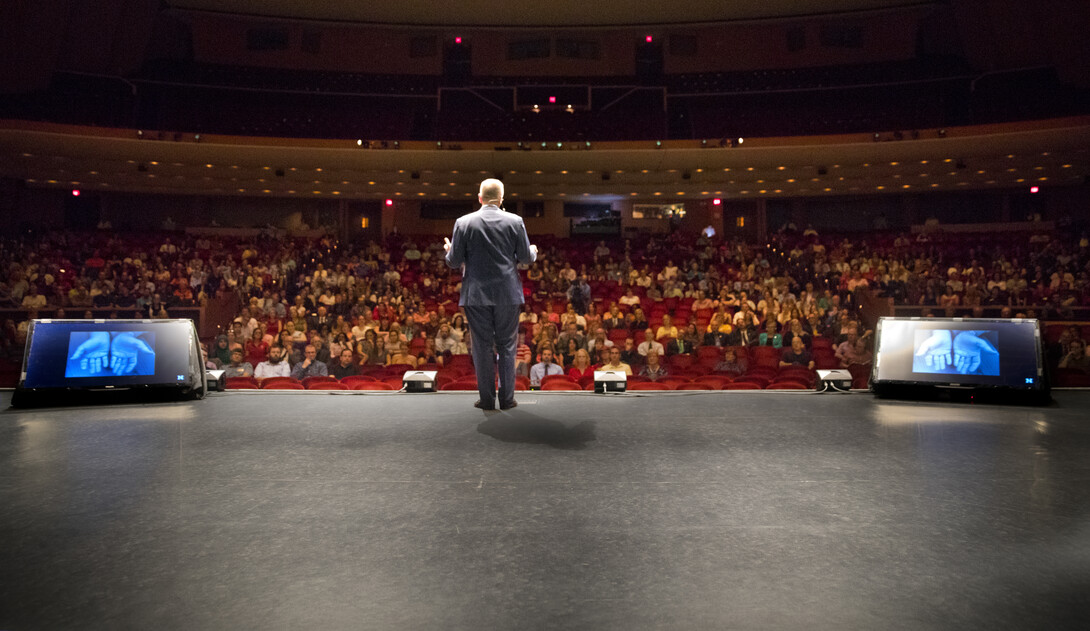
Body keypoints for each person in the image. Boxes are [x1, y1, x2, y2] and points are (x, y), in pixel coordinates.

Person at [444, 178, 537, 410]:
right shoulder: (515, 221)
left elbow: (454, 262)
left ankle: (486, 400)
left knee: (482, 346)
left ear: (479, 198)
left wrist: (448, 250)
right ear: (501, 199)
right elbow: (526, 259)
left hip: (476, 294)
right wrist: (533, 251)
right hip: (507, 293)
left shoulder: (463, 222)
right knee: (507, 346)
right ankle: (506, 400)